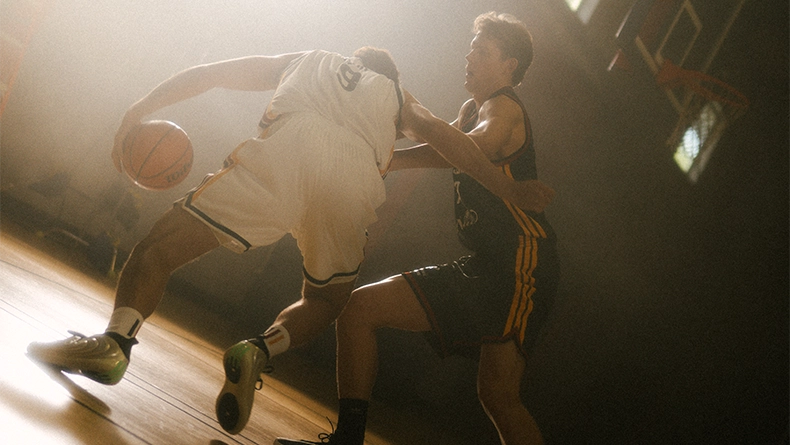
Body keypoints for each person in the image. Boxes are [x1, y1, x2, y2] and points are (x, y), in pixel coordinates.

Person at [26, 45, 555, 436]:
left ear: (354, 60)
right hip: (354, 182)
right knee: (327, 301)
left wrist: (137, 108)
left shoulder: (311, 58)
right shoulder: (399, 96)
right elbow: (445, 138)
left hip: (284, 153)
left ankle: (115, 344)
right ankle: (260, 349)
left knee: (157, 250)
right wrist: (508, 185)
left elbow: (211, 73)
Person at [276, 12, 559, 445]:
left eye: (482, 52)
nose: (469, 56)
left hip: (520, 263)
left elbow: (470, 149)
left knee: (499, 396)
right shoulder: (470, 110)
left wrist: (390, 155)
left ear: (510, 66)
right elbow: (446, 146)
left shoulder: (503, 108)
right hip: (487, 263)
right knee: (359, 312)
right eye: (471, 48)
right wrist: (389, 157)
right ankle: (347, 439)